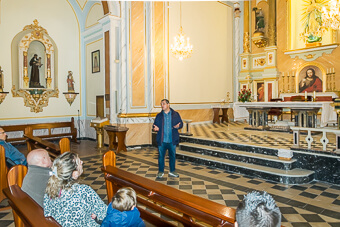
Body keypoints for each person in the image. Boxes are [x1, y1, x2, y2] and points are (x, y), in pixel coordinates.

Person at [44, 152, 107, 227]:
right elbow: (106, 214)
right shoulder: (83, 191)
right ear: (74, 174)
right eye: (79, 162)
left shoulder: (50, 190)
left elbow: (47, 214)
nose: (82, 162)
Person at [153, 99, 183, 178]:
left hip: (172, 140)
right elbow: (154, 125)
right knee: (161, 157)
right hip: (162, 140)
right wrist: (155, 128)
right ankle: (161, 171)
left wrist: (178, 126)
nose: (162, 105)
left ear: (168, 104)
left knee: (172, 156)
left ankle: (172, 171)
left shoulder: (176, 114)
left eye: (163, 104)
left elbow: (181, 123)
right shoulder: (159, 115)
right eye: (161, 104)